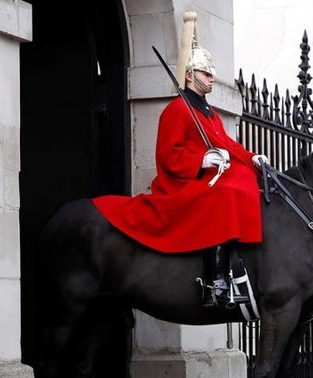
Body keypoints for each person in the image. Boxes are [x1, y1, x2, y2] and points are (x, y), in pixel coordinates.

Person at [93, 12, 267, 308]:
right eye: (206, 73)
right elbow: (168, 154)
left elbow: (227, 144)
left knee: (243, 178)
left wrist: (252, 158)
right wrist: (203, 159)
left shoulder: (207, 112)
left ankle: (239, 268)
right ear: (189, 75)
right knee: (226, 193)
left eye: (212, 73)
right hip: (182, 182)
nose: (212, 78)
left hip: (203, 178)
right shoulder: (177, 110)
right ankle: (215, 282)